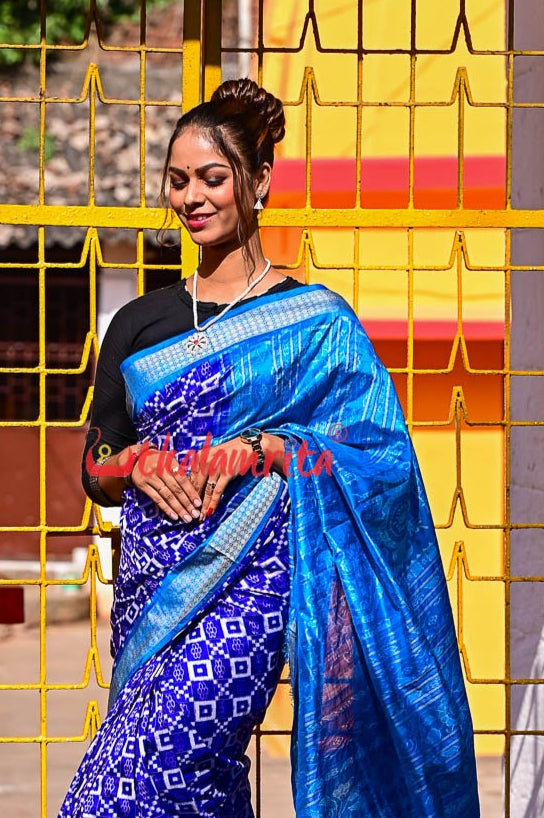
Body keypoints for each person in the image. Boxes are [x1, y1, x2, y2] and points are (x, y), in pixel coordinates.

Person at [59, 78, 480, 817]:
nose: (193, 197)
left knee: (156, 761)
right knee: (202, 781)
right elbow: (96, 464)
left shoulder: (314, 323)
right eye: (179, 180)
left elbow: (371, 460)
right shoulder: (140, 323)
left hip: (253, 589)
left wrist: (260, 448)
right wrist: (141, 463)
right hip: (153, 592)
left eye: (213, 178)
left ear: (258, 182)